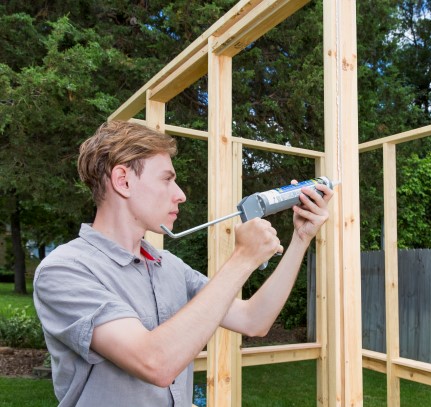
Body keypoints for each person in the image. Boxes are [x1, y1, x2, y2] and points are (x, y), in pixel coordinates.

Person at [33, 120, 333, 407]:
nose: (181, 195)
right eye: (167, 179)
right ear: (122, 181)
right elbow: (155, 362)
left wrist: (301, 238)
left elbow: (253, 321)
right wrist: (243, 258)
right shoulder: (64, 271)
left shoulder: (169, 266)